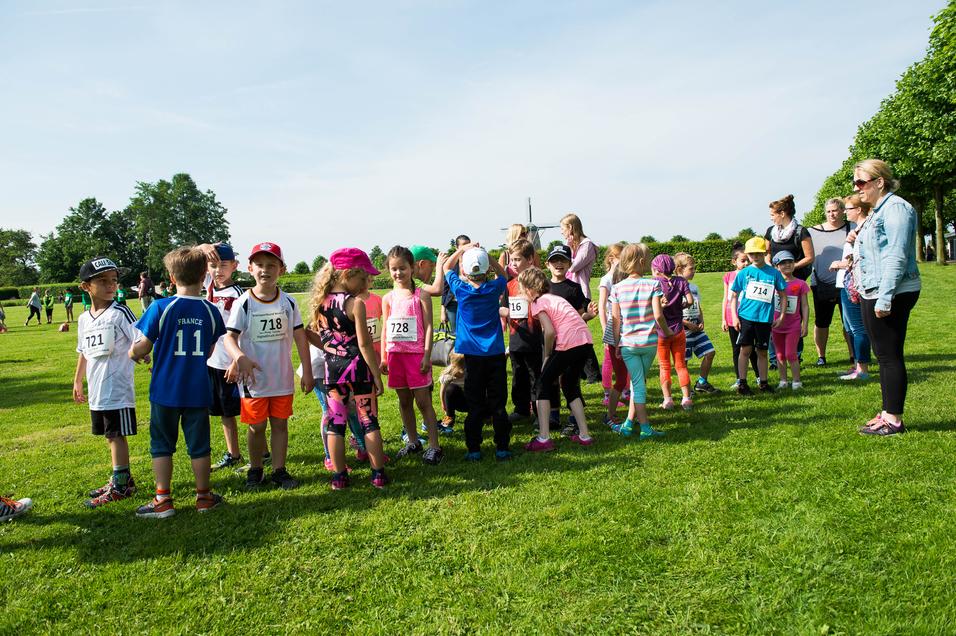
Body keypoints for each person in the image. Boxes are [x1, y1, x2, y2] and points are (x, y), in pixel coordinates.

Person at [129, 247, 227, 518]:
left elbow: (143, 347)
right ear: (203, 275)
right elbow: (207, 350)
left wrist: (133, 352)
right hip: (197, 390)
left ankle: (163, 500)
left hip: (165, 391)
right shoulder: (211, 311)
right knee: (200, 445)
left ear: (171, 277)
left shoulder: (161, 307)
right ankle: (204, 497)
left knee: (161, 444)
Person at [224, 242, 314, 490]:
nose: (265, 270)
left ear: (281, 269)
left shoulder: (289, 303)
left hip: (282, 378)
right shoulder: (244, 303)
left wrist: (307, 369)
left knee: (280, 424)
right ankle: (256, 470)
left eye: (271, 265)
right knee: (257, 426)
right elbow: (229, 337)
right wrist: (239, 357)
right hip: (254, 381)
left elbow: (299, 337)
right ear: (250, 269)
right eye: (260, 265)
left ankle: (279, 470)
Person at [307, 247, 389, 490]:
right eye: (363, 277)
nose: (366, 283)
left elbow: (316, 337)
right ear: (348, 275)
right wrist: (376, 375)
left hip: (332, 372)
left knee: (336, 424)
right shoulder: (355, 304)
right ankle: (378, 475)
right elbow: (364, 343)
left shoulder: (320, 303)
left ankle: (339, 477)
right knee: (368, 420)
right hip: (359, 370)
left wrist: (329, 348)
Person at [852, 159, 921, 436]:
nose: (857, 189)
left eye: (861, 182)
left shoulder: (896, 209)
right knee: (883, 355)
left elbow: (896, 256)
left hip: (891, 291)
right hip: (874, 289)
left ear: (879, 182)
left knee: (890, 355)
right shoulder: (876, 211)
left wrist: (885, 297)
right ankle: (887, 412)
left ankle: (893, 419)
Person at [72, 257, 140, 508]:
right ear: (86, 287)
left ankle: (122, 485)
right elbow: (83, 351)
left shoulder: (119, 312)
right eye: (102, 280)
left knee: (116, 434)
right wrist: (78, 380)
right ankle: (121, 477)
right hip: (97, 389)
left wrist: (141, 353)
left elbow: (139, 336)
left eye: (114, 280)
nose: (111, 285)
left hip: (117, 388)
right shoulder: (83, 319)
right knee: (109, 435)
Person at [442, 244, 513, 461]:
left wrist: (462, 250)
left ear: (464, 271)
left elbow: (446, 268)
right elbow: (504, 273)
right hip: (495, 354)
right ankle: (502, 447)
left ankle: (474, 449)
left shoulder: (461, 290)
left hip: (472, 357)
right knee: (498, 403)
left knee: (475, 404)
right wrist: (489, 258)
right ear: (485, 270)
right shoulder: (494, 288)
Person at [519, 267, 596, 450]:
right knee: (569, 385)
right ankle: (585, 435)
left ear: (530, 289)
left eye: (523, 291)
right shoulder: (556, 298)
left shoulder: (538, 302)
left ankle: (543, 438)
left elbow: (550, 331)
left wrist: (547, 356)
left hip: (569, 343)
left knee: (542, 384)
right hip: (585, 341)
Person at [381, 245, 443, 465]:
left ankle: (434, 446)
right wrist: (383, 357)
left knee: (423, 402)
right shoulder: (387, 298)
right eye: (394, 269)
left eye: (403, 268)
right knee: (404, 401)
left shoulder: (421, 295)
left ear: (413, 268)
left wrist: (427, 355)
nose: (398, 273)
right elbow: (385, 329)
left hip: (416, 357)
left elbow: (428, 327)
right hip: (395, 356)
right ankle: (413, 441)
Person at [202, 244, 257, 472]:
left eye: (223, 265)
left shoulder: (239, 295)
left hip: (232, 363)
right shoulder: (209, 286)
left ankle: (261, 453)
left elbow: (244, 331)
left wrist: (236, 361)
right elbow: (190, 255)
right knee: (224, 413)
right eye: (213, 265)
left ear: (234, 266)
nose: (218, 270)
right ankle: (233, 454)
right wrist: (205, 248)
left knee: (248, 411)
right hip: (214, 362)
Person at [609, 243, 671, 438]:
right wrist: (668, 332)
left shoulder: (617, 288)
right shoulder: (653, 284)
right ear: (643, 262)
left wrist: (617, 342)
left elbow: (616, 320)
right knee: (639, 384)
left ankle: (628, 424)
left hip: (628, 344)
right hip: (649, 343)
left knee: (638, 384)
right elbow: (658, 315)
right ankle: (644, 427)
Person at [543, 244, 598, 433]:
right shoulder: (543, 287)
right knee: (550, 379)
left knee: (570, 380)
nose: (559, 263)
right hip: (549, 341)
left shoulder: (574, 289)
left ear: (569, 263)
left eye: (563, 260)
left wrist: (588, 316)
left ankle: (574, 418)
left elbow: (579, 315)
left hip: (570, 344)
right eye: (554, 260)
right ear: (547, 264)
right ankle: (553, 415)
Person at [729, 236, 787, 395]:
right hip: (746, 317)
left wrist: (781, 316)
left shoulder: (774, 273)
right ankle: (742, 383)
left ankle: (763, 383)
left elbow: (783, 295)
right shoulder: (744, 273)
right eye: (752, 253)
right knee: (745, 350)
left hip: (765, 319)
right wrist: (734, 317)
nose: (755, 256)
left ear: (765, 253)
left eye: (759, 253)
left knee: (762, 351)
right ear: (747, 254)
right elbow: (733, 296)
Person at [765, 195, 813, 367]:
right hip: (775, 281)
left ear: (782, 213)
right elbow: (767, 252)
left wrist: (790, 267)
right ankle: (774, 359)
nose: (771, 217)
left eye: (773, 214)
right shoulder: (771, 231)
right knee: (773, 314)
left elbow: (809, 257)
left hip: (794, 282)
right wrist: (772, 264)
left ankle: (795, 355)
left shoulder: (801, 231)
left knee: (793, 316)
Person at [828, 194, 872, 381]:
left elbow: (861, 259)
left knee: (858, 328)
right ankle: (857, 366)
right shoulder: (856, 230)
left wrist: (840, 264)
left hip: (854, 285)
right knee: (851, 327)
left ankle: (862, 370)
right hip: (845, 284)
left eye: (848, 209)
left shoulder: (864, 231)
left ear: (859, 210)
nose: (845, 212)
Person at [501, 239, 543, 426]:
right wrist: (507, 312)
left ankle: (538, 410)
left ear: (530, 259)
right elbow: (501, 308)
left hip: (535, 337)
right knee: (519, 374)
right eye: (512, 260)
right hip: (516, 337)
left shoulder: (539, 282)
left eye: (517, 259)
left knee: (535, 374)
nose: (513, 264)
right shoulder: (509, 285)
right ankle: (521, 409)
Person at [808, 198, 853, 367]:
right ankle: (821, 357)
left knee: (848, 321)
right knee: (821, 322)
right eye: (828, 211)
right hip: (821, 284)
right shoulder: (812, 231)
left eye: (835, 210)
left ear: (842, 210)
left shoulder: (852, 228)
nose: (831, 214)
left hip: (848, 283)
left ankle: (853, 354)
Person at [652, 254, 694, 411]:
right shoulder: (682, 281)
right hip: (679, 331)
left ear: (657, 269)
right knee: (681, 365)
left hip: (662, 332)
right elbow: (690, 301)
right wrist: (680, 307)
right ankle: (686, 399)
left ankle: (668, 399)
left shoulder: (655, 283)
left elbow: (654, 309)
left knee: (664, 366)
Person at [673, 253, 718, 394]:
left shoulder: (694, 287)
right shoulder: (673, 287)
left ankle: (702, 382)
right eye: (691, 269)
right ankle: (686, 389)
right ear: (680, 269)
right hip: (683, 330)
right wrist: (686, 323)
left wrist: (701, 320)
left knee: (710, 352)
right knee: (683, 362)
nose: (694, 271)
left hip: (696, 329)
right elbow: (671, 312)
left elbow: (698, 306)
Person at [597, 243, 630, 414]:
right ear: (611, 259)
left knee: (625, 358)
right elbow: (602, 306)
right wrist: (604, 329)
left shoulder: (624, 277)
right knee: (610, 361)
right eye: (621, 258)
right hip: (611, 326)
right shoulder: (606, 280)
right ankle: (608, 393)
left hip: (625, 325)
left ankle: (625, 390)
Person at [770, 251, 810, 390]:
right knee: (779, 354)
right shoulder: (773, 283)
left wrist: (805, 324)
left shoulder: (800, 284)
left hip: (793, 325)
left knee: (791, 353)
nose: (787, 265)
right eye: (783, 263)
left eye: (790, 262)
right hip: (776, 325)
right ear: (776, 266)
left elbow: (805, 306)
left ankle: (797, 381)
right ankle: (783, 381)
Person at [560, 213, 598, 300]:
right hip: (567, 291)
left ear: (570, 227)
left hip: (580, 294)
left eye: (562, 228)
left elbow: (573, 268)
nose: (561, 232)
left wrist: (569, 247)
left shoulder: (587, 245)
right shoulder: (571, 244)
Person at [440, 235, 471, 332]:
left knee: (469, 332)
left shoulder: (474, 262)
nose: (466, 247)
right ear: (457, 248)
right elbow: (445, 289)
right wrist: (443, 311)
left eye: (468, 244)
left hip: (469, 303)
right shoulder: (451, 265)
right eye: (463, 245)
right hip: (453, 305)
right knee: (456, 333)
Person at [439, 352, 467, 429]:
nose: (462, 371)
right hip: (459, 402)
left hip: (473, 401)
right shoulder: (449, 374)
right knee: (451, 388)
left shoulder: (472, 371)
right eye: (461, 368)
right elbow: (443, 391)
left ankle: (485, 414)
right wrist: (444, 404)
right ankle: (450, 417)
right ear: (454, 365)